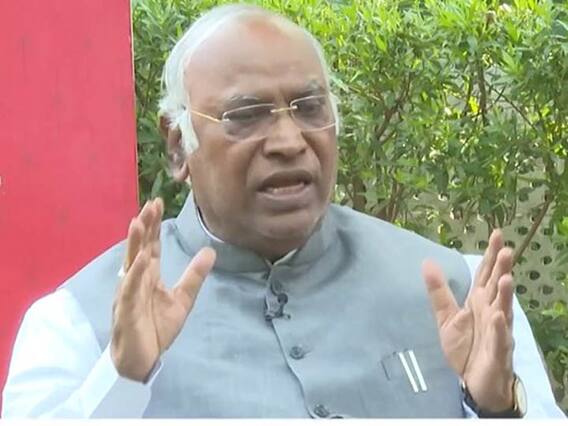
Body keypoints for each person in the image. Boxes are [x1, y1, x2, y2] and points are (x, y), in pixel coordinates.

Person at [1, 4, 565, 418]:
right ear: (177, 145)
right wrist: (122, 380)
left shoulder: (463, 290)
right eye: (246, 115)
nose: (290, 141)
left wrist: (495, 407)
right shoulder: (77, 323)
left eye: (310, 107)